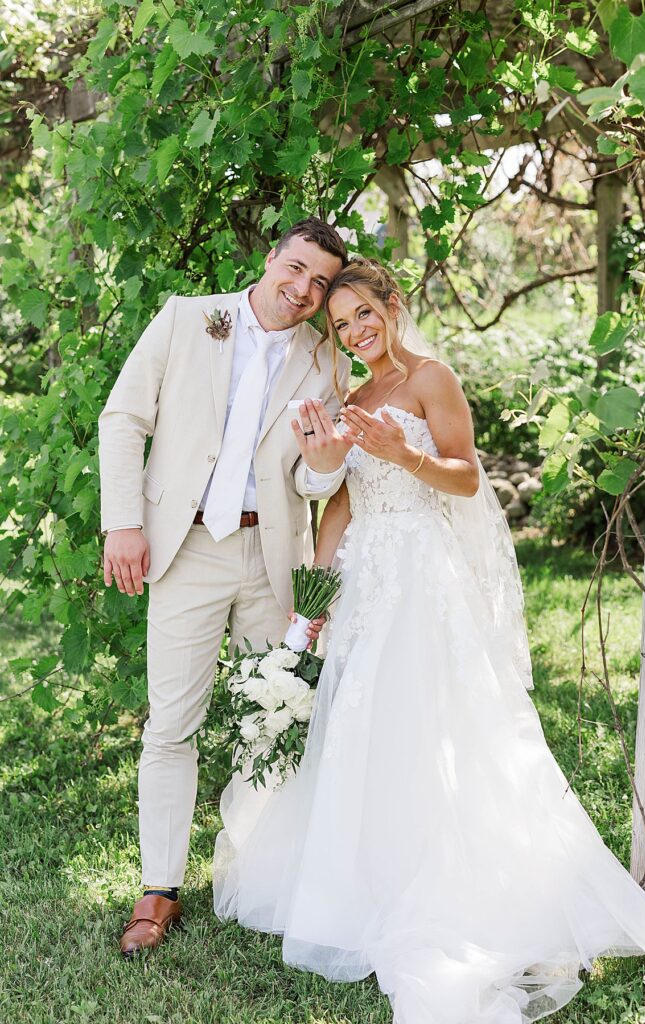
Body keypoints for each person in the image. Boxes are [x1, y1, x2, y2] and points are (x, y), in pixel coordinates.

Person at [213, 258, 645, 1024]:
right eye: (341, 324)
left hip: (424, 572)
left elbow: (465, 477)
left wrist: (405, 455)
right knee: (361, 721)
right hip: (365, 577)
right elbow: (341, 506)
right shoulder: (351, 395)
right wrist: (316, 594)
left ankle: (462, 878)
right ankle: (360, 879)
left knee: (438, 719)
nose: (355, 331)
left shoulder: (432, 378)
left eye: (364, 313)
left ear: (392, 306)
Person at [98, 218, 353, 956]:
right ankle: (159, 890)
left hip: (274, 559)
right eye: (296, 270)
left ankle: (254, 875)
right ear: (270, 257)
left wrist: (327, 459)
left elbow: (311, 480)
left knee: (269, 720)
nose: (303, 291)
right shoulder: (187, 318)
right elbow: (123, 420)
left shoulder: (327, 360)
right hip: (184, 551)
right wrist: (123, 523)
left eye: (319, 284)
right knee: (171, 723)